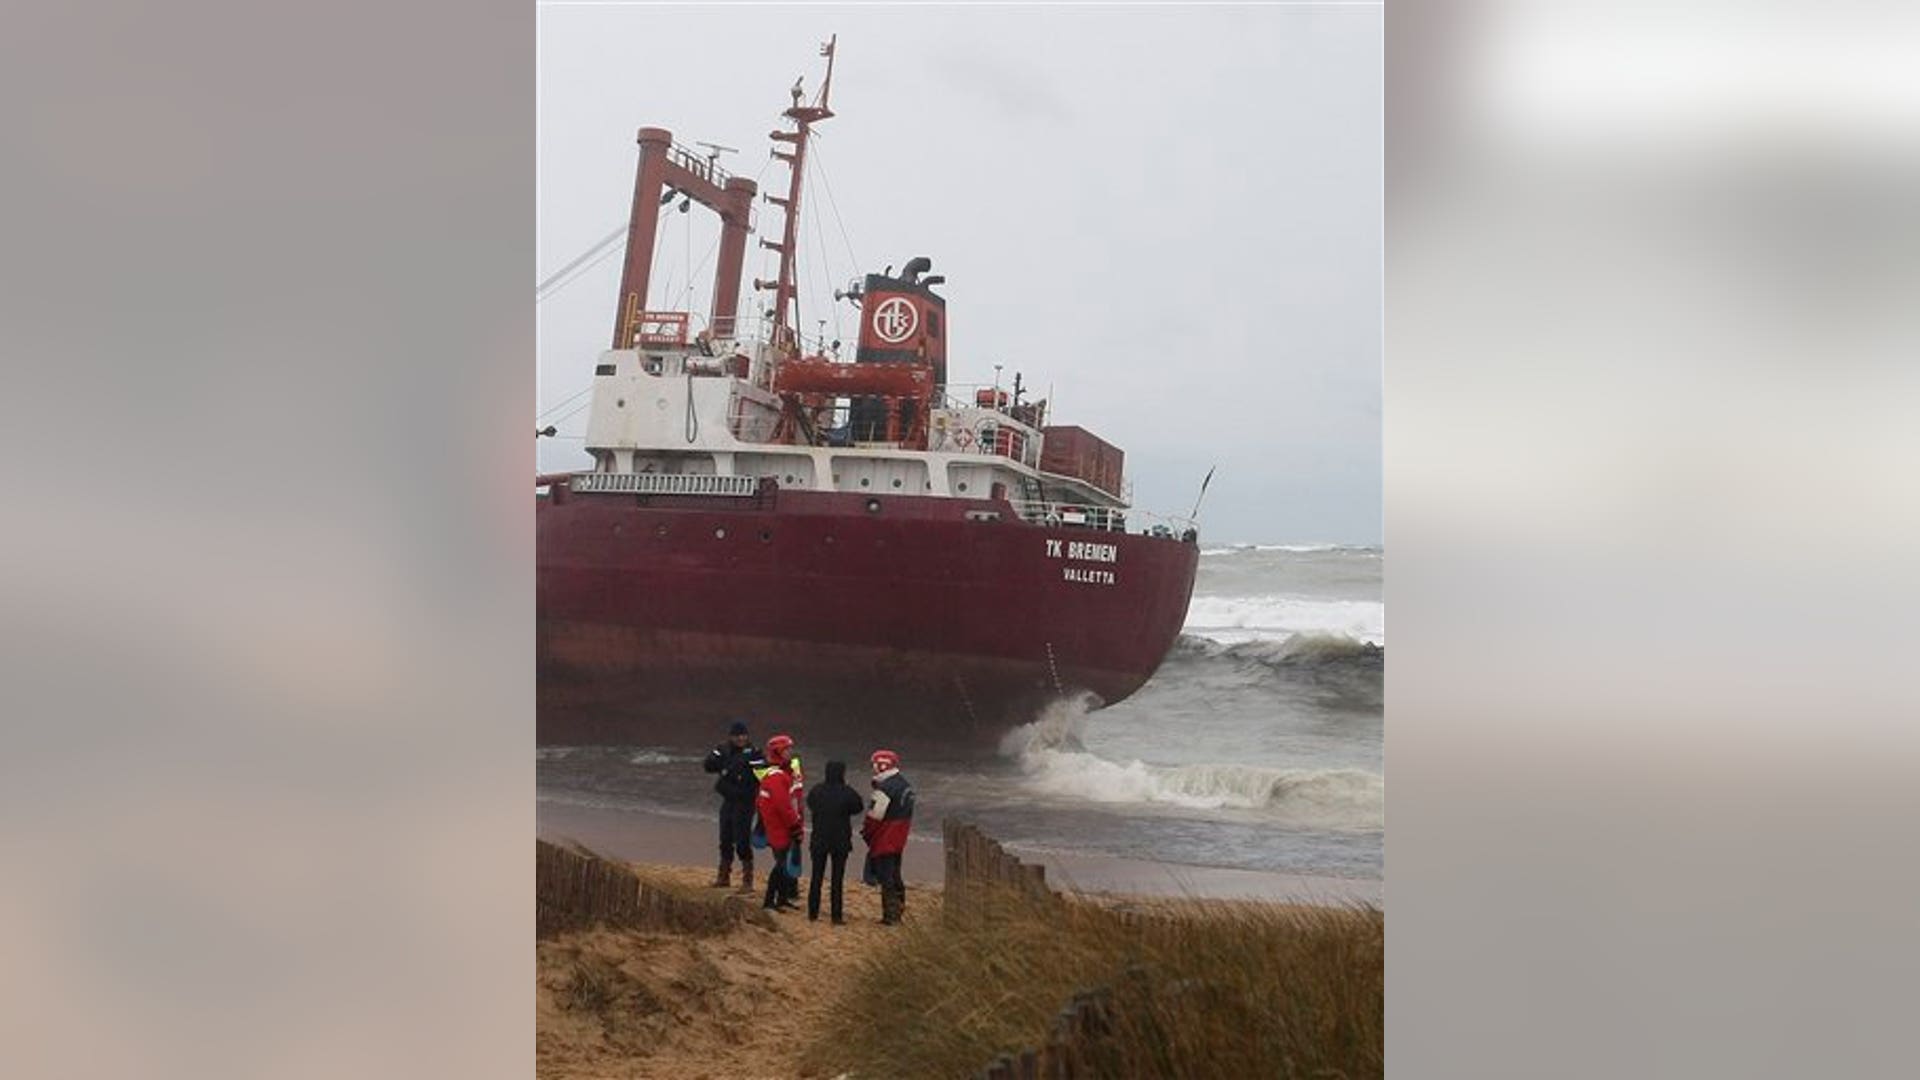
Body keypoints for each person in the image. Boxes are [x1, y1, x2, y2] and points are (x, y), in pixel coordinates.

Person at [701, 721, 761, 891]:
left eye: (744, 735)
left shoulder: (754, 753)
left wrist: (742, 773)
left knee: (742, 840)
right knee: (725, 838)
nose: (741, 738)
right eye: (737, 735)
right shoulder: (723, 748)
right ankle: (723, 876)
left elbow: (762, 775)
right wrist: (723, 764)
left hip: (745, 802)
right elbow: (708, 765)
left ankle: (747, 880)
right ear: (731, 737)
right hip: (728, 800)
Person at [805, 760, 866, 924]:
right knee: (837, 879)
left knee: (816, 877)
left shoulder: (816, 790)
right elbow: (858, 807)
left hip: (819, 839)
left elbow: (810, 804)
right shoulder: (847, 792)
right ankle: (836, 916)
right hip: (840, 840)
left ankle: (813, 913)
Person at [861, 748, 916, 925]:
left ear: (883, 765)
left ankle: (890, 916)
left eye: (875, 765)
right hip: (899, 837)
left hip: (885, 837)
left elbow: (874, 817)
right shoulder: (905, 785)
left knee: (886, 878)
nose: (874, 768)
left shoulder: (884, 788)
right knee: (895, 874)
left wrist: (867, 833)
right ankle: (898, 911)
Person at [756, 733, 804, 912]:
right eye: (787, 749)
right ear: (778, 752)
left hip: (777, 825)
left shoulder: (776, 774)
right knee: (781, 864)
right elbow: (784, 806)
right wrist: (794, 826)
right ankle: (770, 900)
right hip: (780, 827)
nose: (790, 752)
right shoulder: (777, 777)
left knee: (782, 863)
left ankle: (782, 898)